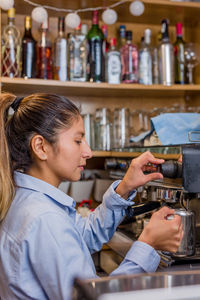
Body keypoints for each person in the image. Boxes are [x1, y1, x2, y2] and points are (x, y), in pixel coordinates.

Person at [0, 93, 183, 300]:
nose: (88, 152)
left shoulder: (26, 199)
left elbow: (82, 237)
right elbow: (94, 297)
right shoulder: (44, 218)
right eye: (78, 141)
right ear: (41, 147)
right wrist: (148, 245)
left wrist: (124, 188)